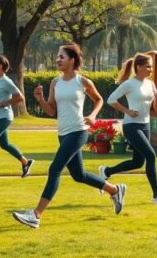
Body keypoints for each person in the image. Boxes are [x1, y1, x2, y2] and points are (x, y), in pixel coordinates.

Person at [12, 44, 126, 228]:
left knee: (54, 169)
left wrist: (93, 115)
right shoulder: (55, 82)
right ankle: (114, 190)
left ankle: (36, 215)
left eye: (61, 57)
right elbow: (51, 111)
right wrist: (40, 99)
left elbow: (98, 99)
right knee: (78, 175)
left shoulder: (82, 81)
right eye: (57, 56)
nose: (58, 60)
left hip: (78, 131)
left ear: (72, 60)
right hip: (63, 134)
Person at [100, 53, 157, 204]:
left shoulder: (150, 83)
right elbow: (111, 100)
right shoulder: (129, 84)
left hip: (145, 125)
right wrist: (127, 111)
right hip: (131, 126)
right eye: (148, 66)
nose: (150, 69)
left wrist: (156, 95)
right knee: (151, 155)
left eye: (151, 67)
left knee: (138, 162)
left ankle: (106, 171)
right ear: (138, 67)